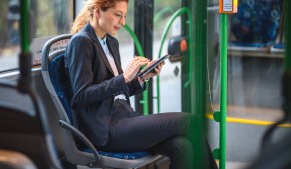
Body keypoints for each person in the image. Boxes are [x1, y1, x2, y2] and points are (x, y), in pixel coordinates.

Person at [64, 0, 218, 168]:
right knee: (190, 121)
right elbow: (81, 96)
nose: (122, 22)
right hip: (105, 127)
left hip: (125, 117)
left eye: (124, 16)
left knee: (183, 146)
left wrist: (141, 78)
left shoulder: (110, 42)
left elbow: (116, 91)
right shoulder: (81, 42)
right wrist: (123, 78)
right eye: (117, 15)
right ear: (98, 12)